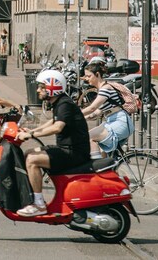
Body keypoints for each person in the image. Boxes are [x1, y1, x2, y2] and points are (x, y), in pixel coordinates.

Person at [15, 69, 92, 217]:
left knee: (32, 160)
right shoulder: (60, 102)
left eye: (41, 87)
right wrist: (32, 130)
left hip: (73, 153)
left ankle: (39, 205)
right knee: (29, 153)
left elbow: (57, 127)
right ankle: (32, 195)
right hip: (66, 149)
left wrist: (31, 134)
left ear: (52, 88)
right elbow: (52, 121)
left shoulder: (64, 104)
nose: (38, 90)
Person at [80, 60, 134, 158]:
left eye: (89, 76)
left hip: (120, 122)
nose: (87, 79)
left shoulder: (106, 89)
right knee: (102, 153)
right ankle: (106, 166)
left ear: (97, 74)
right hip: (113, 121)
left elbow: (92, 108)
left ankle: (97, 166)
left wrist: (74, 114)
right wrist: (82, 118)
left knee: (89, 137)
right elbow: (97, 112)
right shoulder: (102, 89)